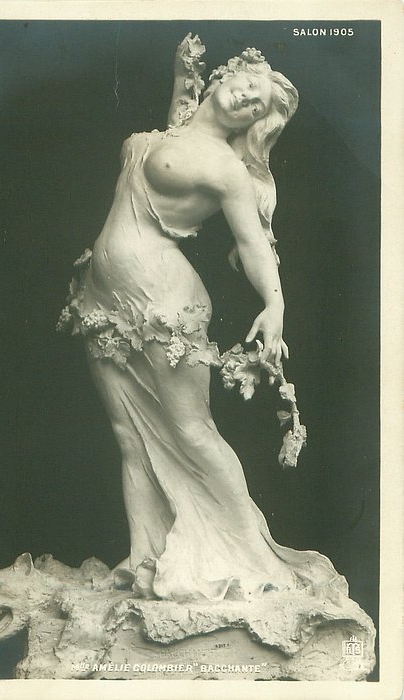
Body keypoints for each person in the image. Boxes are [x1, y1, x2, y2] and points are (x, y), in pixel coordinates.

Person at [57, 36, 348, 603]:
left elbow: (254, 242)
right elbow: (182, 121)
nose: (248, 100)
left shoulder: (227, 169)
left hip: (163, 302)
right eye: (248, 85)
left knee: (192, 431)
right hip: (103, 298)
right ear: (225, 75)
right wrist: (180, 73)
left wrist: (276, 305)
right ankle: (146, 557)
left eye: (258, 106)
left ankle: (253, 558)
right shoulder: (177, 131)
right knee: (129, 436)